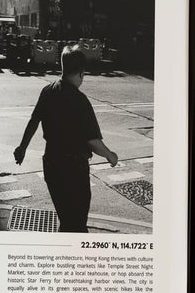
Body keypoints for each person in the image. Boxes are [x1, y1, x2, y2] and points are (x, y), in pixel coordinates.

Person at [13, 46, 118, 231]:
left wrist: (22, 147)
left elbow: (33, 120)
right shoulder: (80, 101)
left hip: (51, 165)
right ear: (81, 73)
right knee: (77, 224)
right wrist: (111, 156)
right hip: (73, 170)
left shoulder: (48, 91)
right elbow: (93, 141)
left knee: (66, 219)